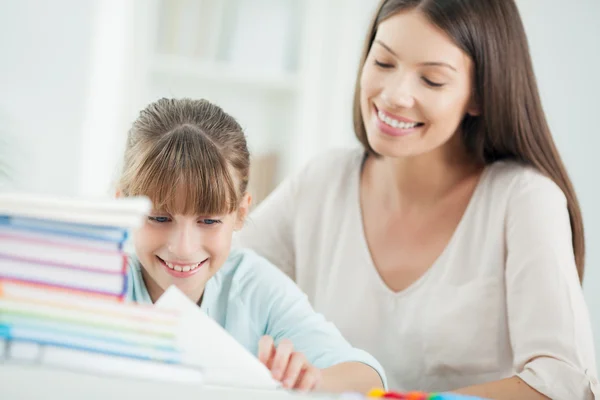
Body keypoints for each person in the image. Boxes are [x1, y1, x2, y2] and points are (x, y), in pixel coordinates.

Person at [236, 0, 599, 399]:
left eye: (432, 80)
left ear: (479, 95)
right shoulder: (324, 180)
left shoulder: (523, 200)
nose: (394, 96)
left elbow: (564, 381)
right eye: (384, 63)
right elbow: (220, 282)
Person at [117, 98, 386, 393]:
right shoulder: (98, 281)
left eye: (208, 221)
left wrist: (311, 380)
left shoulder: (253, 287)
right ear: (123, 208)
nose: (183, 247)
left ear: (241, 213)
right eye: (159, 217)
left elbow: (369, 378)